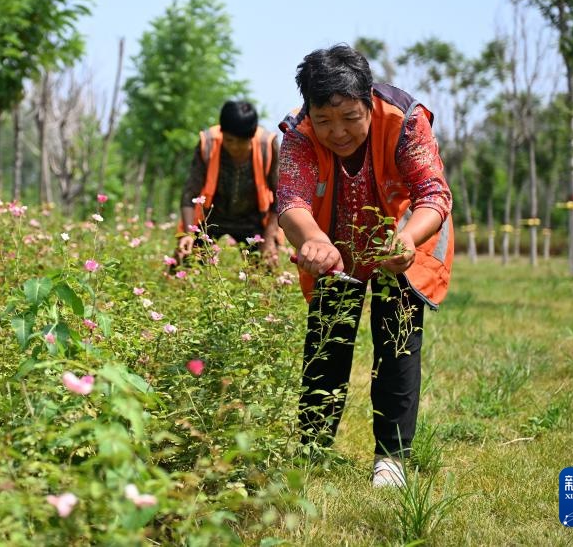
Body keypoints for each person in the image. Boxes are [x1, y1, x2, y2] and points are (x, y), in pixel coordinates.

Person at [276, 44, 454, 488]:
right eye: (324, 120)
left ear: (368, 102)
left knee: (397, 341)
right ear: (309, 111)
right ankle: (312, 450)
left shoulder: (405, 119)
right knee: (327, 342)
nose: (337, 132)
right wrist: (314, 240)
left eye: (350, 118)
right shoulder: (298, 133)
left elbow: (434, 195)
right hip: (333, 246)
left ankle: (391, 458)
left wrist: (407, 239)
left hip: (403, 239)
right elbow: (291, 201)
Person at [177, 100, 280, 266]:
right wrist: (188, 234)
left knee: (266, 269)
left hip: (253, 220)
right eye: (229, 140)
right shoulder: (208, 143)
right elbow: (189, 194)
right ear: (222, 132)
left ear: (252, 136)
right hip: (212, 218)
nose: (235, 147)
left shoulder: (267, 145)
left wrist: (269, 238)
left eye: (242, 142)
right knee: (185, 261)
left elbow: (281, 195)